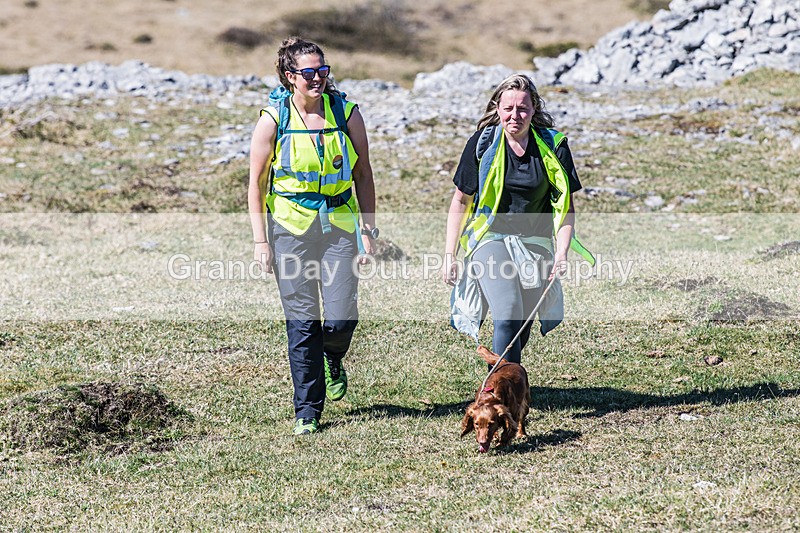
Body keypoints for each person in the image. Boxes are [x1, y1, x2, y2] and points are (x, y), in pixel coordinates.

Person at [248, 37, 377, 435]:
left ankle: (333, 356)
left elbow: (363, 174)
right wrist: (261, 241)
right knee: (303, 323)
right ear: (290, 77)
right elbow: (256, 184)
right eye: (309, 73)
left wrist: (368, 230)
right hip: (290, 229)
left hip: (340, 225)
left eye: (323, 70)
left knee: (340, 318)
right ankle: (307, 411)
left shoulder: (347, 113)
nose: (318, 78)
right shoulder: (273, 120)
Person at [444, 74, 593, 364]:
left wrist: (562, 253)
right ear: (497, 108)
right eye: (508, 108)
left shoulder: (554, 146)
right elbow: (460, 200)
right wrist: (450, 254)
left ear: (534, 108)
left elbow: (565, 207)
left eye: (523, 108)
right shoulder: (482, 143)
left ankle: (505, 375)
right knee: (508, 312)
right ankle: (502, 389)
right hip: (489, 237)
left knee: (521, 328)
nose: (515, 115)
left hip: (536, 242)